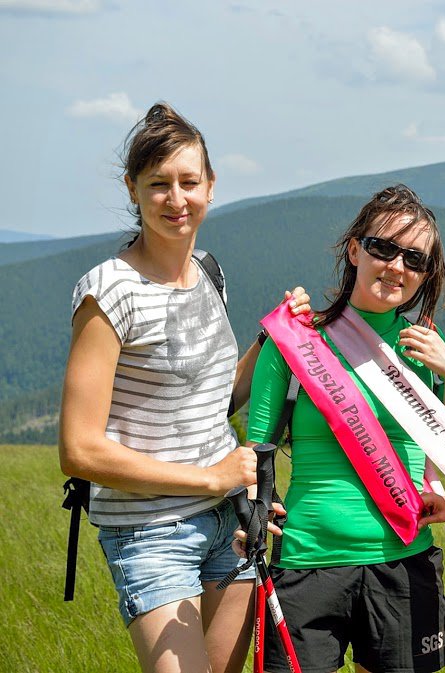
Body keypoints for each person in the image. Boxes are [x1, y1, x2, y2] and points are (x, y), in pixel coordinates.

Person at [59, 101, 311, 673]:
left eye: (189, 182)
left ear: (211, 185)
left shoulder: (209, 271)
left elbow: (215, 399)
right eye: (159, 185)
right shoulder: (108, 292)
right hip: (150, 533)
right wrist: (212, 477)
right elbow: (78, 449)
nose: (177, 200)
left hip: (230, 519)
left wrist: (274, 338)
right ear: (133, 189)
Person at [243, 184, 445, 673]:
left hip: (405, 561)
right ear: (353, 249)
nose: (396, 267)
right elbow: (256, 446)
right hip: (307, 560)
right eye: (382, 248)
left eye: (414, 258)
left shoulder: (425, 346)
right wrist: (254, 510)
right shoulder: (298, 339)